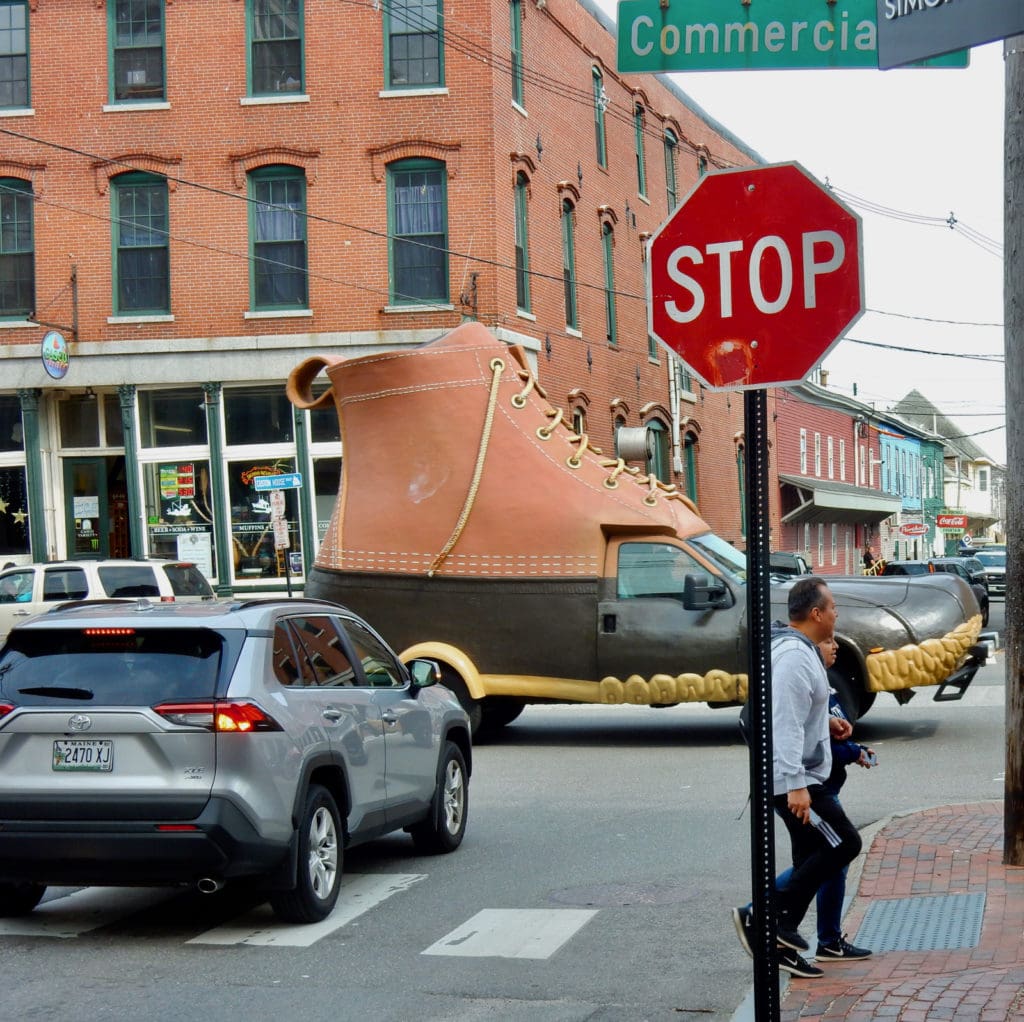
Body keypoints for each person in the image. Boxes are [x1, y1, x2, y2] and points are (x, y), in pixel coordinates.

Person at [732, 577, 863, 979]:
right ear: (816, 613)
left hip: (801, 775)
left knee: (813, 857)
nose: (837, 614)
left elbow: (795, 712)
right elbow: (784, 725)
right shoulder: (793, 655)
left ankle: (779, 938)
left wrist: (828, 723)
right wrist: (796, 786)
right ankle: (762, 917)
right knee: (844, 844)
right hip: (797, 779)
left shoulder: (801, 652)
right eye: (833, 607)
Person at [773, 636, 875, 963]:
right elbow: (793, 731)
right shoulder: (795, 663)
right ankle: (761, 914)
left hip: (818, 786)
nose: (835, 647)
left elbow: (824, 733)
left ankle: (824, 940)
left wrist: (844, 736)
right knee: (839, 847)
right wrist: (853, 751)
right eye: (828, 641)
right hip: (810, 788)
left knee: (826, 859)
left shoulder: (826, 685)